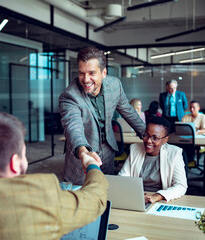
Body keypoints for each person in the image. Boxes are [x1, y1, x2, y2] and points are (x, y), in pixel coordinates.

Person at [0, 110, 108, 240]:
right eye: (23, 153)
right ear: (15, 163)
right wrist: (92, 165)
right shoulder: (43, 199)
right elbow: (95, 199)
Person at [59, 47, 146, 185]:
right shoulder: (70, 96)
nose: (86, 79)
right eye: (81, 73)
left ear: (104, 72)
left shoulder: (114, 85)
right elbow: (73, 127)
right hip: (82, 156)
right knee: (82, 195)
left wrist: (147, 135)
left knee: (107, 189)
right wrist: (83, 152)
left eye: (91, 73)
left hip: (108, 149)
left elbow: (128, 111)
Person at [118, 117, 187, 203]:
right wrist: (137, 194)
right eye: (146, 135)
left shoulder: (175, 153)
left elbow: (181, 186)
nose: (148, 141)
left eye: (155, 138)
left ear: (165, 140)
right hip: (137, 198)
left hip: (161, 200)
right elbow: (122, 178)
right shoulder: (135, 149)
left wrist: (157, 196)